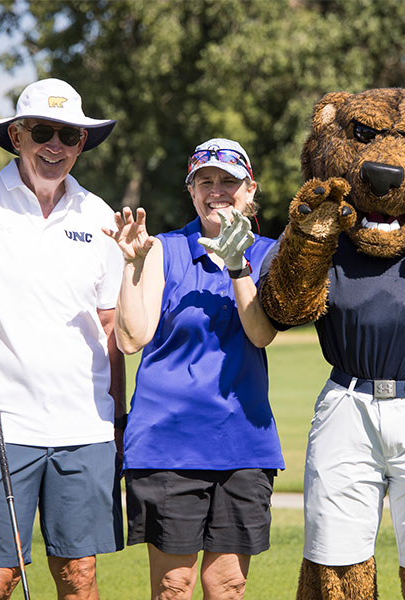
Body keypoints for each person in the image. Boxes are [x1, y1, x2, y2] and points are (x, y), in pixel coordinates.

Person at [0, 78, 126, 599]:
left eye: (69, 135)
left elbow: (108, 326)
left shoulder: (100, 216)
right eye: (43, 131)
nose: (55, 145)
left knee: (79, 579)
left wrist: (119, 421)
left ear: (82, 143)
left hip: (85, 425)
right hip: (1, 423)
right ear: (17, 136)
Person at [104, 137, 284, 600]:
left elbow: (261, 333)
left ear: (250, 190)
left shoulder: (268, 254)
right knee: (173, 586)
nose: (217, 190)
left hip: (241, 443)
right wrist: (132, 266)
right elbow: (130, 338)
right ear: (191, 190)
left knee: (227, 585)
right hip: (168, 444)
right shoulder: (162, 249)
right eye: (206, 181)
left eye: (229, 181)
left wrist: (236, 265)